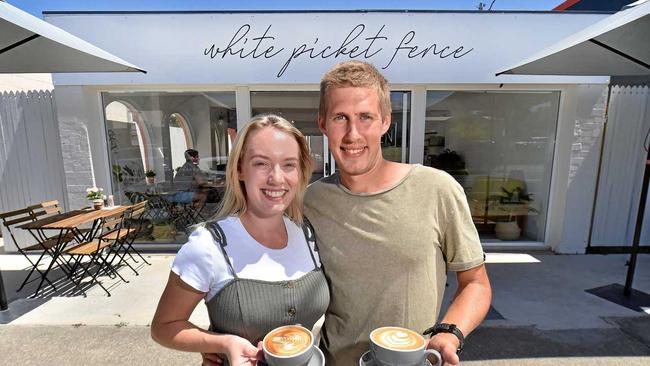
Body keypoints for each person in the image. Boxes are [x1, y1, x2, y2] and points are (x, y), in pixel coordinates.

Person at [304, 61, 492, 366]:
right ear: (323, 124)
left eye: (366, 117)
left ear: (386, 122)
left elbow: (476, 283)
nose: (353, 133)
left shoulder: (437, 189)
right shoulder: (311, 200)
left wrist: (449, 333)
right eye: (341, 117)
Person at [152, 115, 330, 366]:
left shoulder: (307, 233)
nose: (277, 178)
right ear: (239, 169)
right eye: (261, 164)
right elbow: (164, 326)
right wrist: (222, 342)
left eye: (289, 164)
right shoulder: (208, 245)